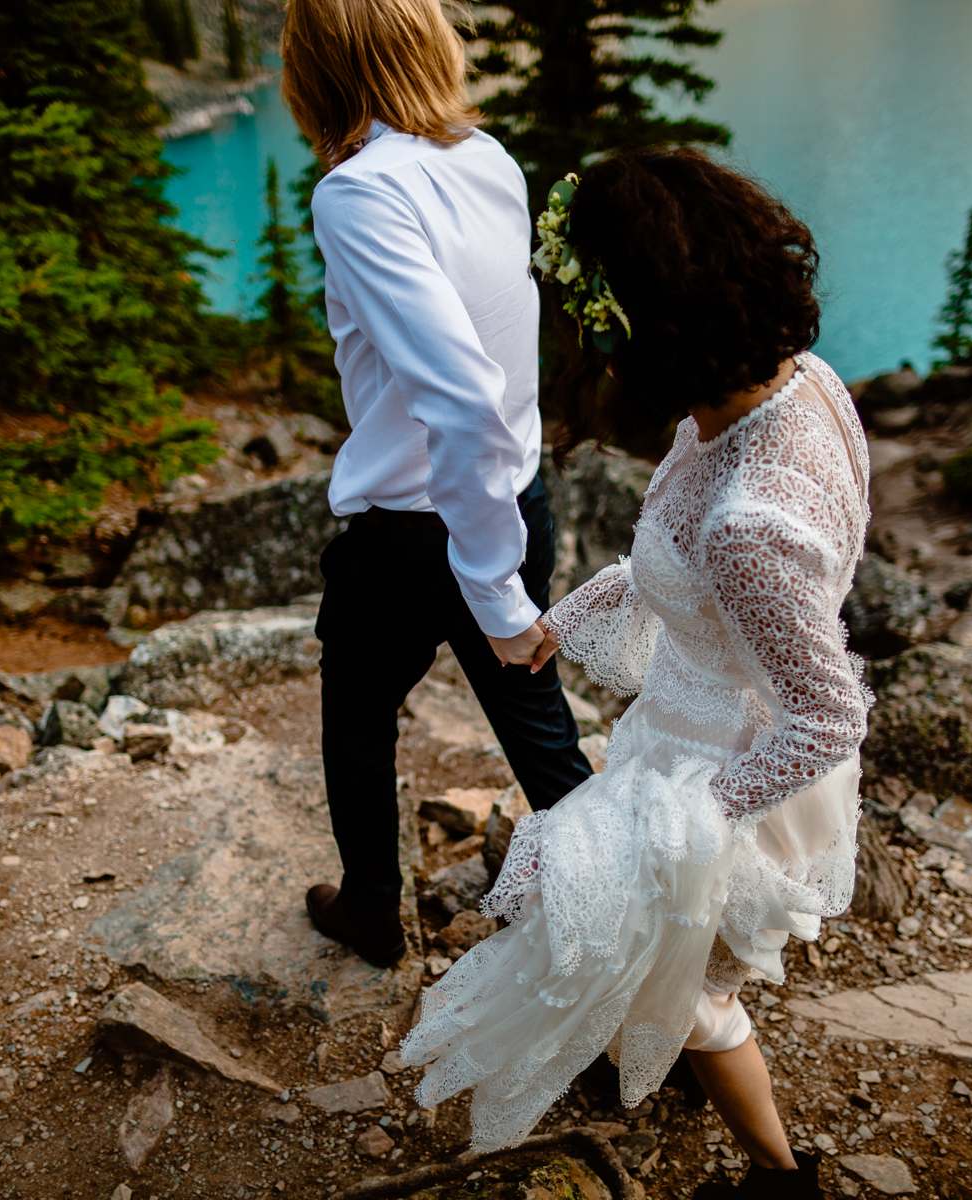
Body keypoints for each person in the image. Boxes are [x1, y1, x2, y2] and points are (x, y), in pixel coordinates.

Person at [399, 148, 874, 1200]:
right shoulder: (790, 388)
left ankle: (780, 1177)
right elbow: (668, 560)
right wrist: (555, 627)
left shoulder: (752, 517)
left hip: (734, 773)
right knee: (630, 940)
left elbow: (830, 715)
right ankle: (653, 1048)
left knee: (697, 990)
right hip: (689, 732)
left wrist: (693, 822)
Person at [280, 0, 593, 969]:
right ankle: (634, 957)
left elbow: (460, 392)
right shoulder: (487, 157)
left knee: (359, 716)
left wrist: (490, 587)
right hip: (513, 497)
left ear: (320, 72)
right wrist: (503, 561)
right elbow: (503, 355)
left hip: (415, 533)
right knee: (547, 745)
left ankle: (373, 906)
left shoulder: (358, 194)